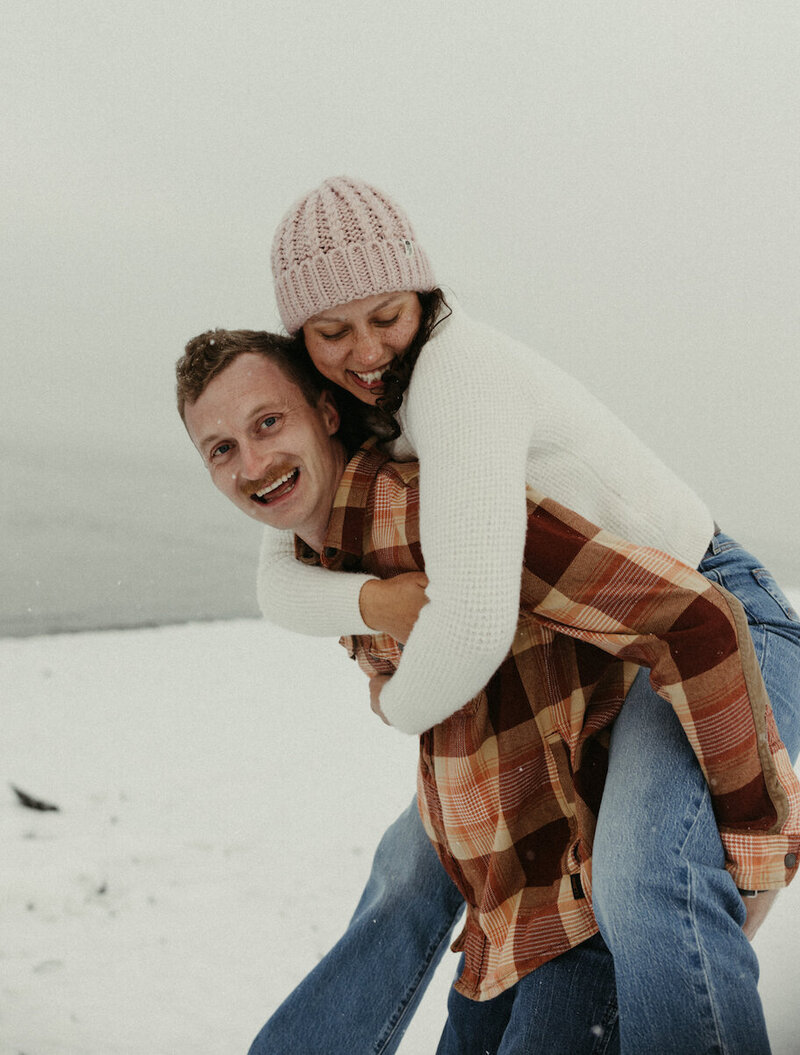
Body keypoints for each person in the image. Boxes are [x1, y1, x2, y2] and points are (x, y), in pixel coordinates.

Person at [250, 177, 800, 1054]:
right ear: (299, 336)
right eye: (331, 331)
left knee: (642, 881)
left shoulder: (456, 375)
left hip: (711, 618)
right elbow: (275, 575)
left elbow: (470, 625)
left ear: (422, 294)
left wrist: (397, 705)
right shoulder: (365, 409)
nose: (365, 349)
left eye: (386, 314)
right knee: (416, 864)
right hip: (599, 661)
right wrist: (373, 600)